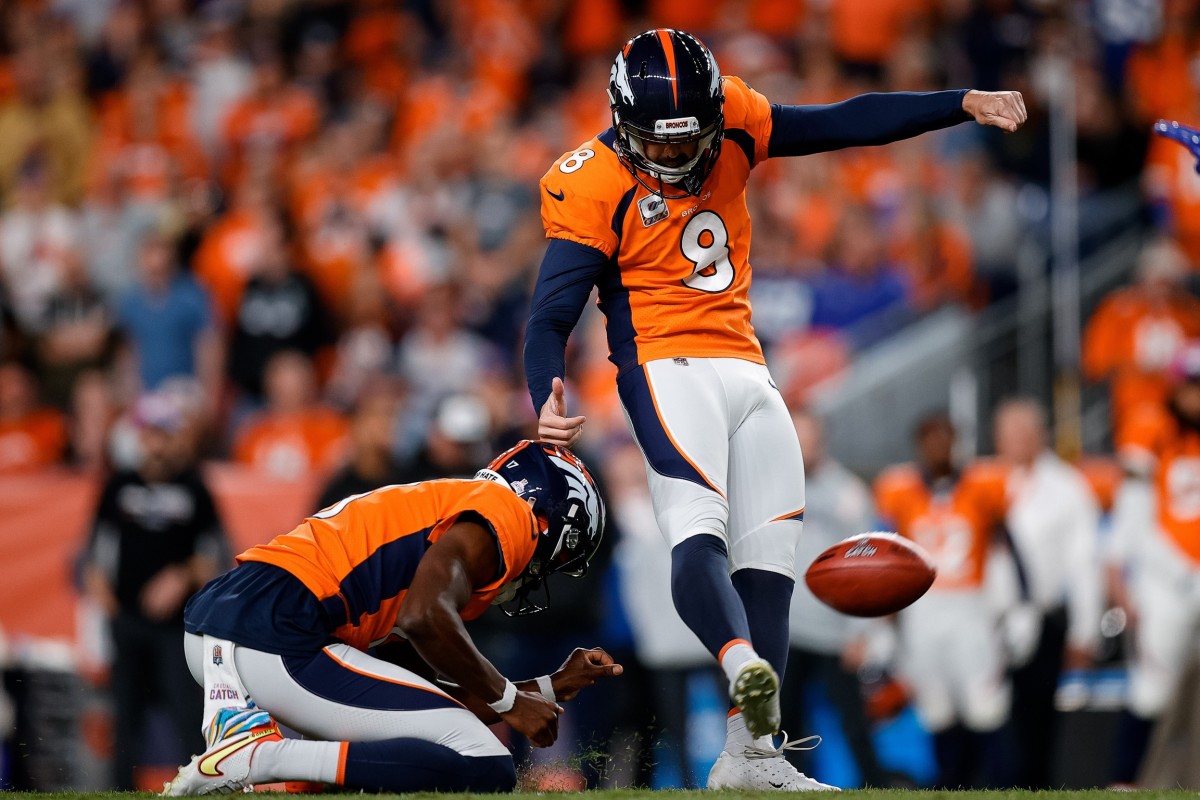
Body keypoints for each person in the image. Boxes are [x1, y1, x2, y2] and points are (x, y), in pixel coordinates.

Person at [524, 27, 1026, 791]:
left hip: (748, 364)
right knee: (697, 528)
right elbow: (550, 312)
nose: (671, 158)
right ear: (623, 123)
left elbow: (840, 121)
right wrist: (545, 390)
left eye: (686, 140)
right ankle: (740, 664)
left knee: (771, 562)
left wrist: (958, 102)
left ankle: (752, 758)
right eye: (656, 145)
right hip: (664, 364)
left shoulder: (735, 116)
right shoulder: (587, 180)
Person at [162, 440, 619, 795]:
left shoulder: (435, 524)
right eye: (553, 561)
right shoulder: (509, 515)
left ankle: (289, 766)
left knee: (425, 755)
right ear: (549, 521)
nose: (539, 574)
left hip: (227, 624)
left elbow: (423, 701)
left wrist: (543, 688)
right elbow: (424, 615)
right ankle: (260, 757)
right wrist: (509, 703)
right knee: (485, 763)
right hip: (275, 629)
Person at [80, 390, 226, 790]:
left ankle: (199, 788)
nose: (160, 443)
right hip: (126, 619)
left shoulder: (194, 487)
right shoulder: (119, 485)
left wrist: (180, 575)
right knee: (125, 717)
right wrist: (104, 598)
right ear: (141, 436)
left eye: (168, 433)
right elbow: (92, 550)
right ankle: (118, 791)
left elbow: (217, 555)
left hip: (175, 627)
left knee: (186, 715)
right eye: (154, 433)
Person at [874, 414, 1012, 789]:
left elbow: (1007, 549)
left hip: (971, 609)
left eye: (944, 438)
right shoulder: (898, 490)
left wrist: (1016, 608)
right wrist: (884, 624)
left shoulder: (985, 485)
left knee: (985, 705)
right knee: (937, 709)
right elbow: (886, 560)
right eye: (929, 438)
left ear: (956, 441)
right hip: (923, 611)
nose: (937, 446)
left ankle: (995, 787)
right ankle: (951, 786)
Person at [991, 398, 1103, 788]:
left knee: (1035, 727)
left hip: (1043, 619)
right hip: (986, 621)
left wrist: (1085, 631)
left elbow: (1084, 562)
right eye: (1010, 431)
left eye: (1026, 431)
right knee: (984, 723)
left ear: (1042, 434)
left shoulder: (1067, 486)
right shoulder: (980, 481)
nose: (1018, 440)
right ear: (997, 436)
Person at [1107, 343, 1200, 785]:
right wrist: (1122, 579)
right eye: (1192, 386)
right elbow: (1132, 517)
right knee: (1153, 689)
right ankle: (1126, 782)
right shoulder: (1152, 431)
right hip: (1166, 581)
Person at [784, 409, 887, 787]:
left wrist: (861, 630)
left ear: (822, 441)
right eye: (796, 438)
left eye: (809, 438)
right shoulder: (770, 486)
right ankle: (795, 788)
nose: (802, 447)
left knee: (853, 722)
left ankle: (875, 786)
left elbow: (867, 564)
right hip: (789, 627)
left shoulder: (848, 493)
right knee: (787, 721)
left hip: (834, 628)